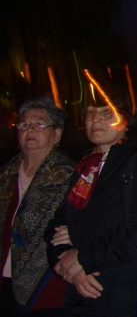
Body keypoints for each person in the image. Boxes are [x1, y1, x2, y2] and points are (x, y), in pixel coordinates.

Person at [45, 89, 137, 316]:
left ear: (126, 121)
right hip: (80, 295)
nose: (96, 120)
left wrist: (82, 257)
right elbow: (55, 226)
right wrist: (68, 266)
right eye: (91, 114)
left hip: (122, 295)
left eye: (107, 113)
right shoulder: (86, 166)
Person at [0, 97, 74, 316]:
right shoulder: (5, 174)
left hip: (48, 287)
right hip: (5, 283)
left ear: (57, 134)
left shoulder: (71, 175)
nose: (30, 129)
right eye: (23, 125)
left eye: (39, 124)